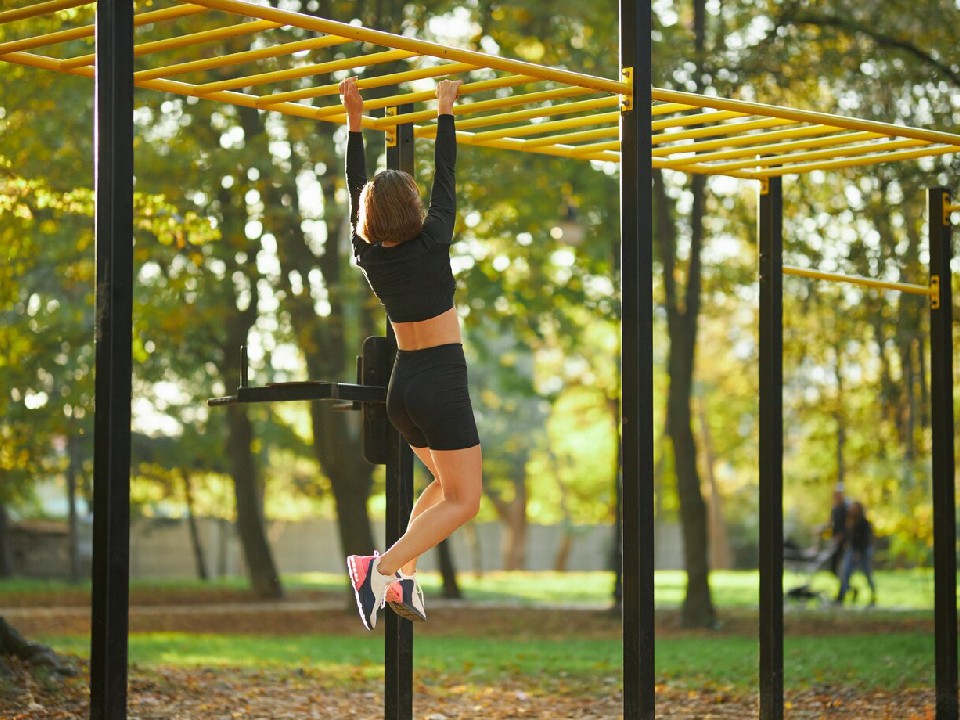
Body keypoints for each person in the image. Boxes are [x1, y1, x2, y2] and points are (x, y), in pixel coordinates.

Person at [339, 76, 482, 631]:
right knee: (465, 501)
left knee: (447, 487)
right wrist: (444, 110)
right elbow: (444, 177)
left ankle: (401, 574)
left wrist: (355, 121)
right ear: (414, 210)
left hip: (405, 386)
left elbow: (358, 187)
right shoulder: (434, 238)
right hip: (441, 381)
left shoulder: (367, 251)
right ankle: (378, 567)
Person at [835, 500, 877, 606]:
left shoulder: (864, 523)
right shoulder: (850, 522)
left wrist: (859, 552)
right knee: (845, 572)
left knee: (867, 573)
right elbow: (849, 537)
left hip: (862, 551)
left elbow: (865, 539)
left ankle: (873, 595)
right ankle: (841, 595)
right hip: (852, 550)